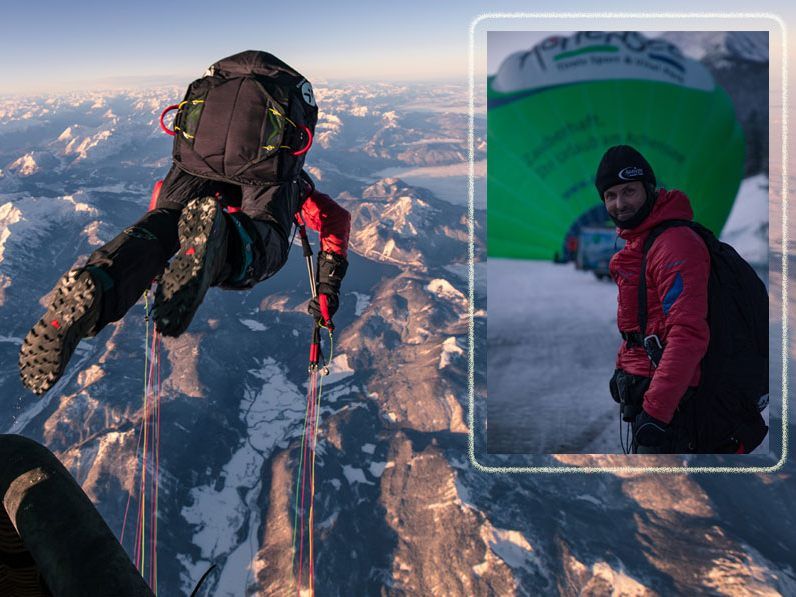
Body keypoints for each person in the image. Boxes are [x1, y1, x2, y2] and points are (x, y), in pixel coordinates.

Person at [19, 51, 350, 396]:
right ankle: (227, 246)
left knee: (162, 224)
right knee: (269, 243)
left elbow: (162, 201)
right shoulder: (290, 183)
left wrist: (150, 263)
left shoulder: (203, 143)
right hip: (259, 179)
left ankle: (101, 281)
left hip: (195, 165)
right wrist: (328, 287)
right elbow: (335, 220)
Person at [597, 145, 711, 454]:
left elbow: (688, 333)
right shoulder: (641, 244)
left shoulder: (673, 245)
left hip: (676, 405)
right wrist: (623, 368)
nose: (620, 204)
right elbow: (644, 328)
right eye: (611, 195)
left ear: (649, 189)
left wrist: (657, 411)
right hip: (649, 391)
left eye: (629, 191)